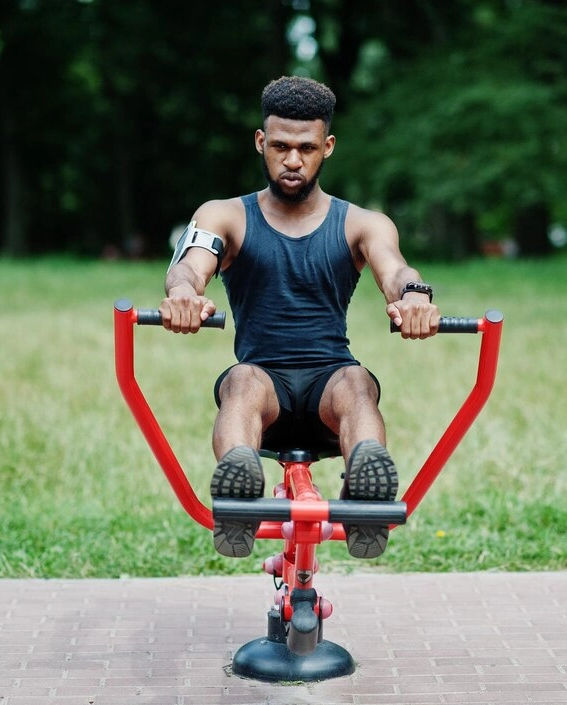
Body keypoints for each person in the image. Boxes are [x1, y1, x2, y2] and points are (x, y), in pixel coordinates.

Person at [159, 75, 440, 560]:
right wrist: (184, 295)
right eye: (281, 146)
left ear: (327, 147)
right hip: (261, 395)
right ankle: (240, 497)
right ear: (260, 142)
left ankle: (363, 496)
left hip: (330, 391)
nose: (292, 160)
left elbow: (395, 269)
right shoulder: (224, 215)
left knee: (356, 382)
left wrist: (414, 296)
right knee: (242, 380)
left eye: (306, 148)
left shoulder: (362, 223)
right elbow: (188, 268)